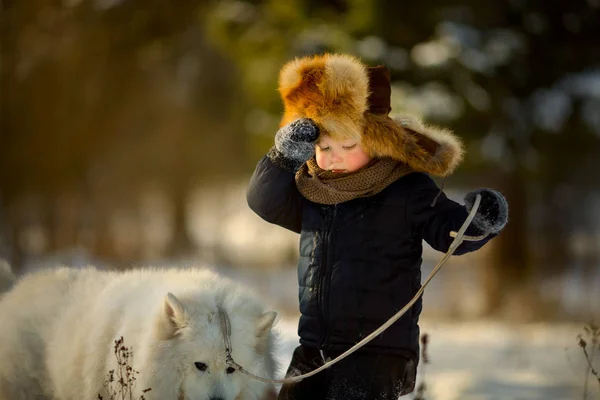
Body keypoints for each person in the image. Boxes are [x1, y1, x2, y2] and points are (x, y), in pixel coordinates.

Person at [246, 53, 508, 399]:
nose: (333, 156)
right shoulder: (315, 190)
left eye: (347, 145)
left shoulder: (405, 189)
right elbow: (265, 201)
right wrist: (283, 157)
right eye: (323, 147)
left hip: (378, 352)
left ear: (375, 142)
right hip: (314, 347)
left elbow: (450, 233)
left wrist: (481, 219)